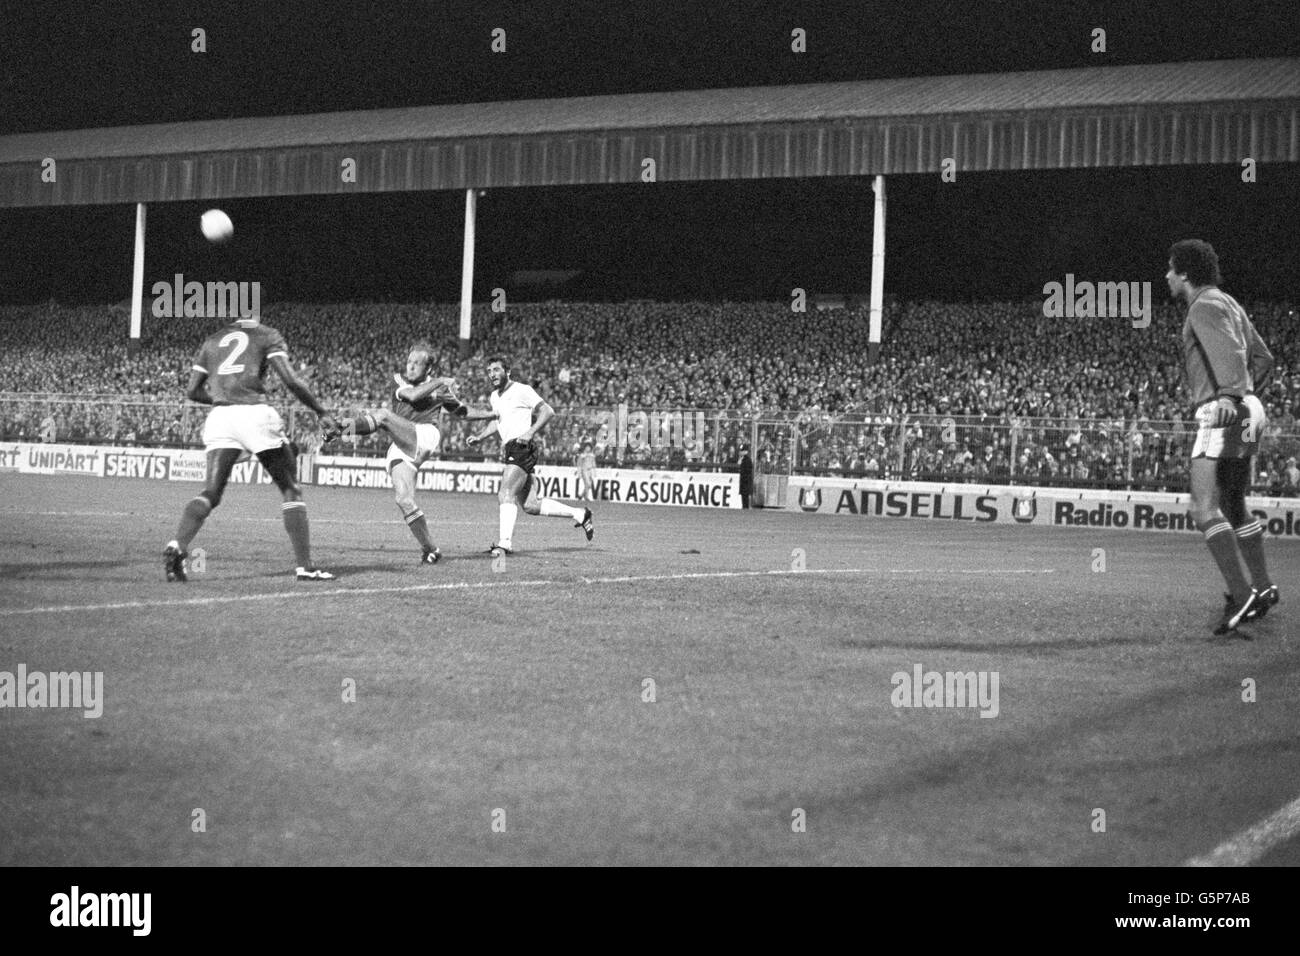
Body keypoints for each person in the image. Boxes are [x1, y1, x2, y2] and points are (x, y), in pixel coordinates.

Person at [164, 313, 340, 582]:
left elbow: (192, 392)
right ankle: (305, 567)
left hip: (220, 417)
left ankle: (177, 546)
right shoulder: (266, 334)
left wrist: (224, 400)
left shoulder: (212, 340)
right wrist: (320, 411)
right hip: (253, 413)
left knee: (211, 492)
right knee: (290, 488)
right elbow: (291, 381)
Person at [1166, 239, 1276, 634]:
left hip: (1221, 409)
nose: (1166, 275)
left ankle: (1241, 592)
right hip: (1248, 407)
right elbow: (1263, 359)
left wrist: (1230, 396)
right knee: (1233, 502)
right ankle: (1262, 587)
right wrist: (1247, 397)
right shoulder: (1229, 302)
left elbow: (1229, 353)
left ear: (1185, 273)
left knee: (1202, 508)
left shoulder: (1204, 306)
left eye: (1170, 268)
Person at [330, 342, 497, 564]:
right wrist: (440, 380)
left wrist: (491, 415)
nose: (410, 366)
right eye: (409, 361)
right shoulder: (399, 380)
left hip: (426, 435)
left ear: (428, 368)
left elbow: (462, 411)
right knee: (404, 500)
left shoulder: (440, 389)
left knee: (382, 415)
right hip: (403, 443)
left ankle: (341, 429)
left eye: (417, 363)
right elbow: (412, 396)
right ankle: (430, 549)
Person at [466, 357, 593, 555]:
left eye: (496, 369)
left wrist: (531, 432)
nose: (492, 374)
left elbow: (547, 411)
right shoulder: (494, 396)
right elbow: (499, 420)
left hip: (522, 447)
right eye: (489, 370)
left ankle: (504, 544)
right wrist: (480, 437)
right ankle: (580, 514)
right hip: (511, 448)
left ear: (507, 371)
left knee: (505, 493)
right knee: (530, 505)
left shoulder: (522, 390)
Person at [738, 444, 753, 509]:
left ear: (745, 451)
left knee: (745, 498)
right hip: (744, 482)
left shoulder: (747, 460)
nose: (740, 452)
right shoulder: (743, 459)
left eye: (742, 451)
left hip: (746, 482)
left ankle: (746, 508)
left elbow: (747, 471)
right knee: (744, 498)